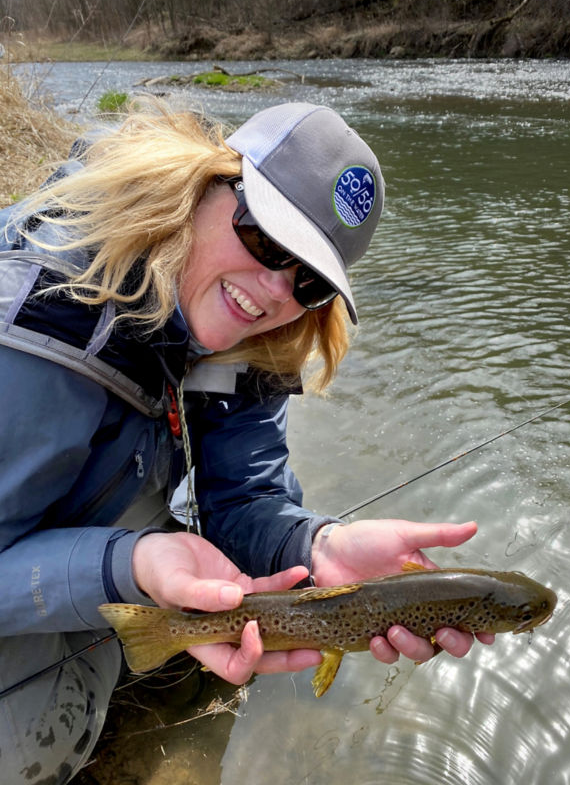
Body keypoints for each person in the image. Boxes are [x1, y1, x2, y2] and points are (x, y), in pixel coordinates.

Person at [0, 100, 493, 783]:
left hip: (86, 542)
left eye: (309, 281)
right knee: (26, 746)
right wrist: (130, 566)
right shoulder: (32, 338)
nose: (274, 292)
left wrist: (315, 547)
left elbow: (245, 498)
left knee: (217, 653)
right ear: (205, 182)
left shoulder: (243, 332)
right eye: (265, 239)